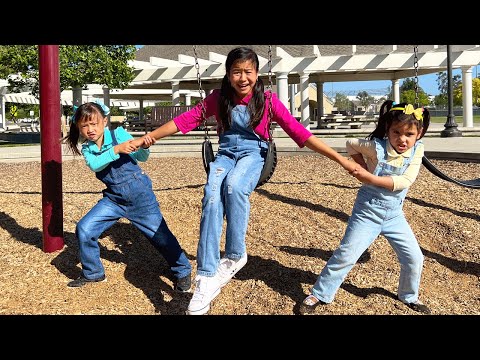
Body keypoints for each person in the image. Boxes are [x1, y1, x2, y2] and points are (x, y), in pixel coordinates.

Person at [131, 46, 358, 315]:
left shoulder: (269, 101)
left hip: (254, 154)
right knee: (212, 193)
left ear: (257, 73)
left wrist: (340, 159)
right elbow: (185, 120)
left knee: (235, 185)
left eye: (247, 72)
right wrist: (149, 138)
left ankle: (236, 253)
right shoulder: (218, 98)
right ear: (228, 74)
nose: (242, 78)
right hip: (226, 153)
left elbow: (301, 134)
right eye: (236, 72)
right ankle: (206, 276)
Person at [299, 100, 432, 315]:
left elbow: (403, 182)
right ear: (387, 130)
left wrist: (368, 177)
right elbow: (350, 144)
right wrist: (360, 164)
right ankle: (319, 293)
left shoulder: (417, 151)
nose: (402, 139)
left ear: (419, 133)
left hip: (394, 216)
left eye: (409, 134)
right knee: (346, 255)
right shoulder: (376, 147)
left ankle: (409, 296)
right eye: (396, 132)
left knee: (414, 257)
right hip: (367, 213)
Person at [63, 100, 192, 291]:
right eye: (85, 125)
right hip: (114, 199)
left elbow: (140, 158)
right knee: (85, 228)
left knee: (161, 236)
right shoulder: (88, 149)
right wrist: (116, 150)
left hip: (140, 196)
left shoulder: (119, 134)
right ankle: (93, 272)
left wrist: (145, 147)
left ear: (104, 122)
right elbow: (96, 165)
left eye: (94, 123)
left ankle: (182, 269)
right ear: (79, 128)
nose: (90, 129)